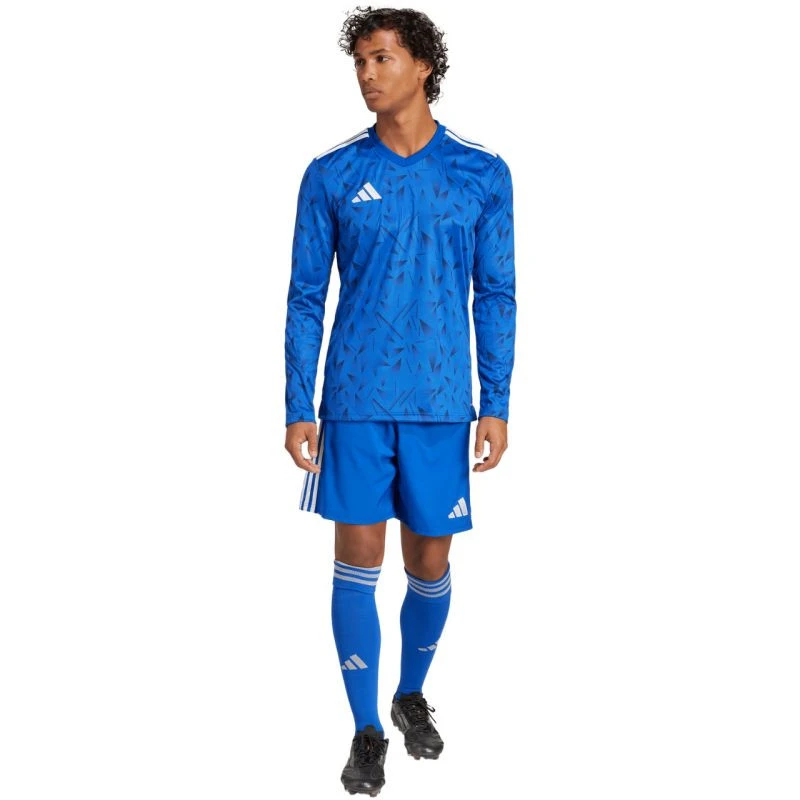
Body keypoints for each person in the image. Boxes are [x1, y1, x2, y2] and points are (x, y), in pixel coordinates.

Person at [283, 6, 516, 796]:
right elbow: (305, 298)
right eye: (359, 61)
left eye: (382, 58)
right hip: (354, 401)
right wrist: (298, 404)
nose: (366, 74)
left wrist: (496, 402)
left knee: (430, 561)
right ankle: (365, 729)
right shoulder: (332, 174)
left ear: (424, 66)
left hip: (443, 402)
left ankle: (410, 693)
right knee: (357, 559)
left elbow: (497, 294)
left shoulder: (481, 173)